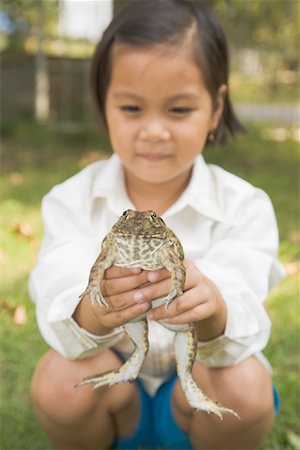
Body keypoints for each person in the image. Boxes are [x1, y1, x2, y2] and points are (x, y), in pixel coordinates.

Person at [29, 1, 285, 449]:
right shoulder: (71, 201)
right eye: (131, 107)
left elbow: (245, 312)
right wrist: (96, 307)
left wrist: (214, 310)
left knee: (244, 385)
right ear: (102, 104)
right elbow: (55, 295)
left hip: (195, 406)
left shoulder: (244, 205)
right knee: (56, 381)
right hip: (112, 393)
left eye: (178, 110)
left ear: (216, 107)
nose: (153, 131)